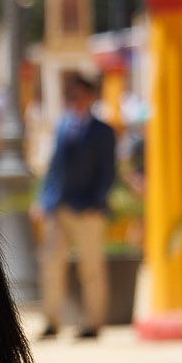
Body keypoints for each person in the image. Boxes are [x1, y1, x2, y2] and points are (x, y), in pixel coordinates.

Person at [36, 73, 120, 340]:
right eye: (69, 96)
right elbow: (54, 167)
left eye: (77, 96)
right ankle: (51, 320)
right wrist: (43, 199)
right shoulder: (62, 126)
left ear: (90, 97)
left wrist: (97, 202)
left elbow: (108, 171)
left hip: (88, 209)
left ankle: (93, 322)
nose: (72, 101)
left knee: (91, 267)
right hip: (58, 206)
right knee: (51, 264)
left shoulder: (102, 131)